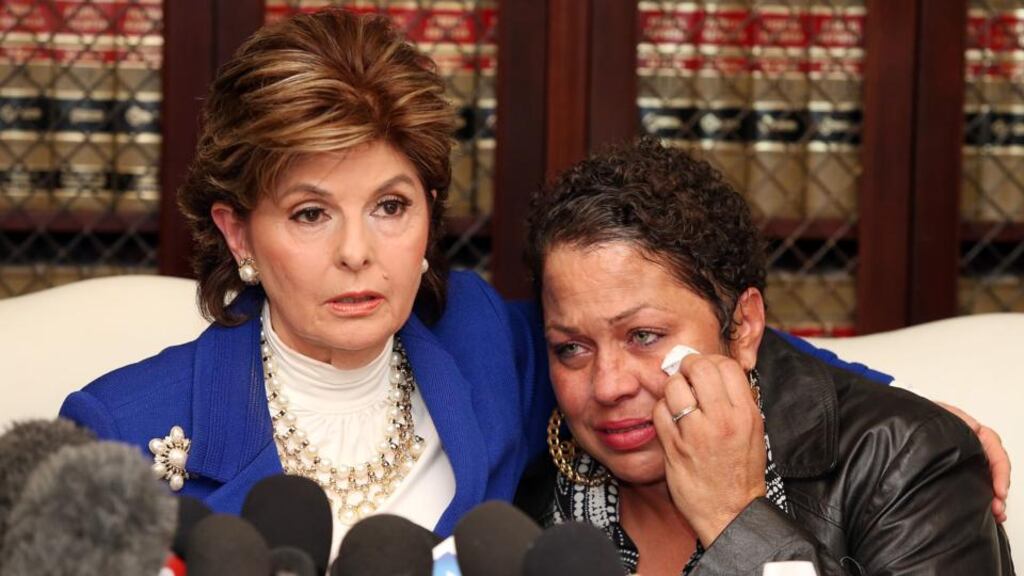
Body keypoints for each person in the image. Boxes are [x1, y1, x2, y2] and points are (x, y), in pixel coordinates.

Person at [58, 8, 1008, 560]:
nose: (359, 252)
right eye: (311, 214)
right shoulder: (117, 426)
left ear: (427, 216)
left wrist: (905, 411)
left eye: (390, 206)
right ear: (239, 233)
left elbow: (675, 330)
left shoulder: (491, 343)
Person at [516, 137, 1014, 574]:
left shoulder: (906, 467)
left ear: (744, 325)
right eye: (572, 348)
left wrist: (736, 517)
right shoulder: (533, 493)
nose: (607, 385)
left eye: (644, 335)